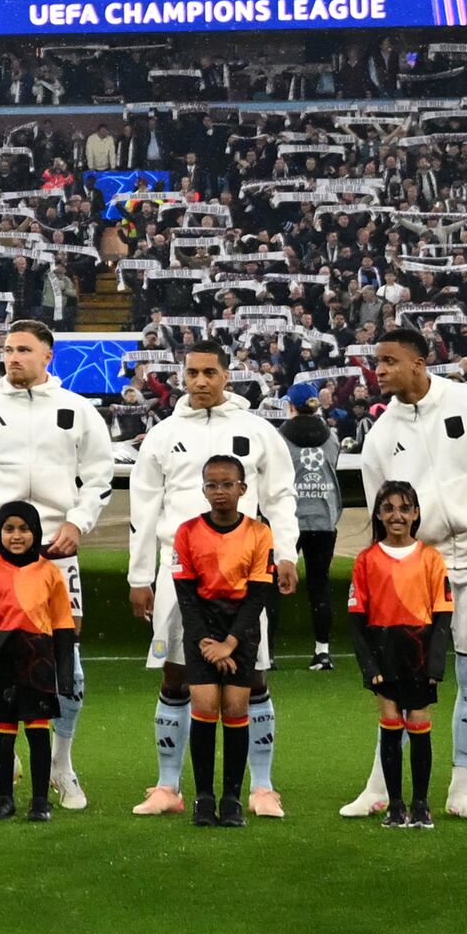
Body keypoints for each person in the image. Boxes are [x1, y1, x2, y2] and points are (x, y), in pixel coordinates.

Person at [359, 323, 467, 823]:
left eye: (389, 361)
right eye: (377, 362)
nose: (380, 370)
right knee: (398, 680)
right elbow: (378, 517)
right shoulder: (381, 435)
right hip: (419, 566)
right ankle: (380, 789)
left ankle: (460, 789)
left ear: (418, 363)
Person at [0, 324, 111, 815]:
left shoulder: (78, 410)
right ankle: (4, 763)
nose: (12, 358)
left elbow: (101, 476)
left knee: (67, 662)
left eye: (23, 350)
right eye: (8, 350)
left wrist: (78, 523)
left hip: (58, 556)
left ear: (47, 355)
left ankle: (61, 762)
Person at [123, 341, 290, 820]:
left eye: (209, 373)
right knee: (177, 675)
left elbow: (280, 496)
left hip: (244, 573)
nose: (199, 381)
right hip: (180, 574)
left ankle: (261, 787)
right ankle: (167, 787)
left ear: (227, 375)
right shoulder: (163, 435)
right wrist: (139, 575)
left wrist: (287, 553)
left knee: (251, 677)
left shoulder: (257, 431)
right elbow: (143, 508)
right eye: (192, 373)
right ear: (182, 376)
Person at [172, 451, 278, 831]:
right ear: (203, 489)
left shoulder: (258, 532)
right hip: (202, 625)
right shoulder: (186, 532)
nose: (220, 492)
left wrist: (230, 644)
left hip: (241, 627)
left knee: (235, 705)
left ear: (242, 489)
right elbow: (185, 595)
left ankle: (232, 797)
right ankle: (203, 797)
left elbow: (257, 597)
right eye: (212, 485)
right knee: (203, 701)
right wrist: (205, 642)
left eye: (227, 484)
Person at [347, 479, 453, 831]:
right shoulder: (366, 561)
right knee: (390, 726)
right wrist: (369, 666)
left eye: (404, 508)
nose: (397, 515)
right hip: (384, 653)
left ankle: (421, 804)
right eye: (389, 508)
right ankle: (395, 804)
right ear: (378, 514)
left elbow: (443, 615)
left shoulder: (431, 558)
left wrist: (435, 663)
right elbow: (357, 620)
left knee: (419, 726)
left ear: (416, 514)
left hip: (418, 652)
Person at [0, 495, 73, 823]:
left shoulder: (50, 573)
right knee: (3, 732)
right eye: (9, 529)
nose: (16, 535)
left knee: (38, 731)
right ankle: (5, 800)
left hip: (37, 663)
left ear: (36, 533)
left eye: (24, 529)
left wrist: (64, 677)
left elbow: (63, 626)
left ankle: (41, 801)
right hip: (1, 664)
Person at [286, 398, 346, 674]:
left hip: (290, 517)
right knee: (319, 586)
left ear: (291, 406)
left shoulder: (279, 437)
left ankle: (266, 655)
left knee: (271, 583)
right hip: (323, 516)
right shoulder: (330, 437)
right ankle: (322, 651)